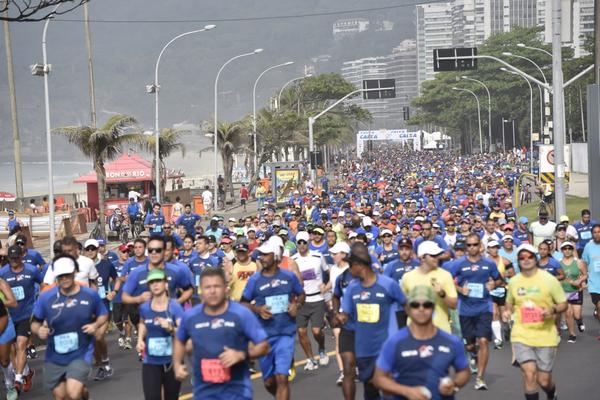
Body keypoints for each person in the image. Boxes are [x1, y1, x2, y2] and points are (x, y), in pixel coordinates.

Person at [173, 268, 270, 400]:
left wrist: (241, 354)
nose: (212, 291)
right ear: (200, 291)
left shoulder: (241, 314)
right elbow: (179, 340)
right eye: (207, 287)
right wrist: (178, 364)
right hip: (204, 392)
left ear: (226, 288)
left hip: (237, 391)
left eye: (217, 286)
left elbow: (264, 345)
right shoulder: (191, 316)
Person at [31, 255, 108, 400]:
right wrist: (38, 330)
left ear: (74, 273)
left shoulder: (89, 294)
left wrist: (95, 325)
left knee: (72, 394)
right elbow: (35, 322)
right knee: (60, 396)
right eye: (60, 276)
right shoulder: (46, 297)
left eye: (67, 275)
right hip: (55, 355)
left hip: (81, 352)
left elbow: (103, 314)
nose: (64, 279)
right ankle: (83, 392)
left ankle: (78, 390)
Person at [372, 285, 470, 400]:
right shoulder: (395, 342)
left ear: (433, 308)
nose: (421, 309)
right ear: (408, 309)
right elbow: (378, 379)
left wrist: (454, 384)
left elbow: (464, 371)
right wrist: (406, 391)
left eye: (427, 305)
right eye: (415, 305)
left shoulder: (451, 341)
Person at [336, 242, 406, 400]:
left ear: (359, 265)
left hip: (385, 344)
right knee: (370, 388)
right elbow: (345, 313)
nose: (348, 268)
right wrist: (339, 318)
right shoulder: (352, 288)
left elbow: (407, 306)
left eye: (351, 264)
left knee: (388, 387)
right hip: (363, 348)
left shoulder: (388, 284)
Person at [241, 237, 304, 400]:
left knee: (282, 377)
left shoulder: (288, 276)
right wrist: (257, 308)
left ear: (275, 257)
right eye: (260, 255)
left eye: (266, 255)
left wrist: (296, 304)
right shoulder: (255, 280)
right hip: (264, 337)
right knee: (269, 382)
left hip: (285, 333)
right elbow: (243, 303)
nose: (261, 257)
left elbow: (301, 294)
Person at [502, 244, 567, 400]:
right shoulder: (514, 281)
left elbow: (563, 304)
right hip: (521, 335)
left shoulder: (549, 280)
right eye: (522, 258)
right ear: (518, 261)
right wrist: (507, 311)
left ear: (535, 258)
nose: (526, 260)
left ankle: (552, 393)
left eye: (529, 256)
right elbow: (509, 302)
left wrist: (551, 310)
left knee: (544, 380)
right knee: (530, 374)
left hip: (545, 335)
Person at [451, 234, 503, 389]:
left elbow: (500, 279)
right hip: (465, 309)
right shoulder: (458, 264)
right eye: (469, 245)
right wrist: (460, 289)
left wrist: (494, 285)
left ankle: (480, 378)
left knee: (483, 341)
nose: (472, 248)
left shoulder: (488, 264)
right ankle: (473, 353)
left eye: (475, 244)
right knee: (469, 345)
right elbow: (447, 281)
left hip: (484, 308)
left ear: (480, 245)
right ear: (466, 247)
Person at [137, 268, 184, 400]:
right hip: (151, 361)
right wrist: (140, 339)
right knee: (152, 397)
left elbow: (183, 333)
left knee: (171, 397)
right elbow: (142, 323)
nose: (155, 285)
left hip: (172, 361)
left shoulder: (174, 307)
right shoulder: (145, 307)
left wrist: (170, 328)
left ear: (166, 284)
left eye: (158, 281)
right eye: (152, 282)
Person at [0, 245, 41, 394]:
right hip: (9, 317)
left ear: (21, 257)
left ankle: (17, 379)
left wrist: (40, 302)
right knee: (11, 352)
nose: (14, 261)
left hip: (26, 315)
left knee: (21, 345)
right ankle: (27, 372)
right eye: (11, 259)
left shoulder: (31, 270)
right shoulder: (3, 273)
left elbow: (43, 283)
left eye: (16, 258)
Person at [288, 230, 329, 371]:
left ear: (308, 242)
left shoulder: (318, 256)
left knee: (317, 331)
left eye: (304, 242)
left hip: (317, 298)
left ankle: (322, 349)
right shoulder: (293, 260)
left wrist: (326, 287)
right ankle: (310, 359)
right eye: (299, 242)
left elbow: (327, 272)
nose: (302, 245)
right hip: (301, 301)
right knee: (301, 332)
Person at [401, 241, 458, 333]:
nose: (437, 258)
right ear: (423, 257)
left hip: (441, 331)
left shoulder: (445, 275)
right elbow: (403, 304)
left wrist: (442, 294)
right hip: (414, 332)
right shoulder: (407, 277)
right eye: (433, 256)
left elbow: (454, 305)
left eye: (437, 255)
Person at [83, 239, 116, 381]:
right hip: (86, 309)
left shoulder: (105, 264)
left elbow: (117, 278)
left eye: (93, 249)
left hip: (103, 306)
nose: (90, 251)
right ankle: (103, 364)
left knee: (98, 336)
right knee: (92, 339)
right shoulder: (80, 266)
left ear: (98, 250)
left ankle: (105, 362)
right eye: (88, 249)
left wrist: (114, 291)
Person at [558, 241, 587, 342]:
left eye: (569, 248)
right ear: (562, 250)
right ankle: (572, 334)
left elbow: (585, 274)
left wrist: (579, 281)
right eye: (565, 249)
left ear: (572, 250)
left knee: (576, 315)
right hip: (563, 292)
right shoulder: (558, 263)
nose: (567, 250)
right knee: (568, 314)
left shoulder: (578, 262)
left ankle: (579, 321)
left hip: (575, 291)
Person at [581, 223, 600, 339]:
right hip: (594, 283)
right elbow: (584, 262)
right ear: (592, 234)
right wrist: (584, 276)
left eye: (599, 232)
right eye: (595, 232)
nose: (597, 234)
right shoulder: (588, 247)